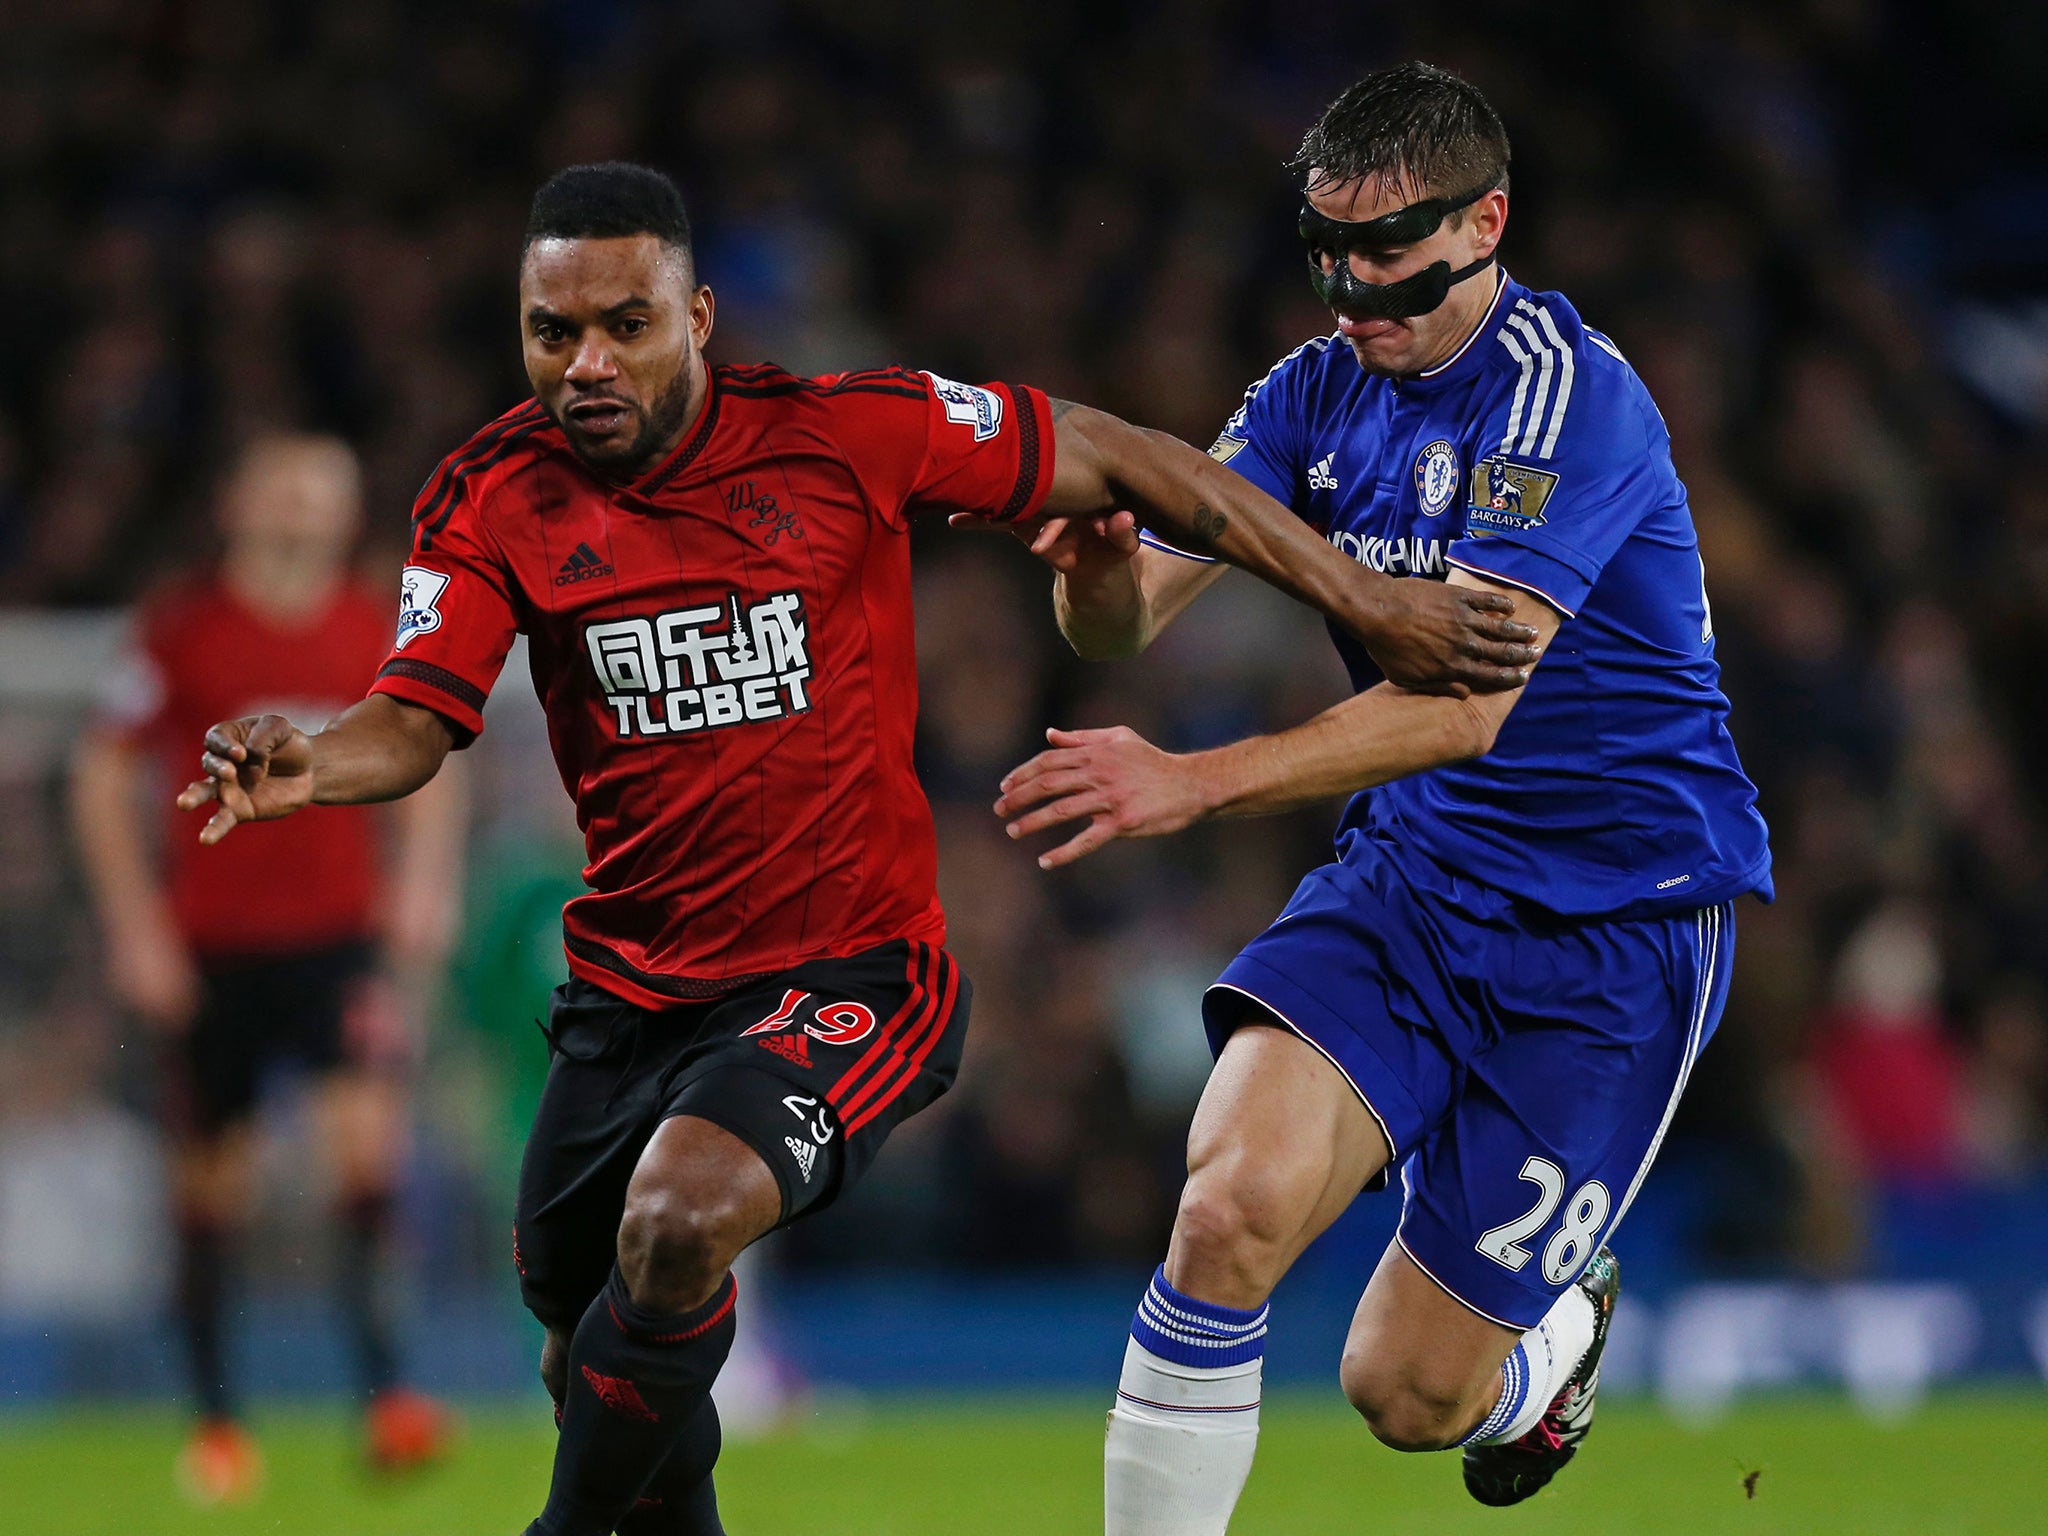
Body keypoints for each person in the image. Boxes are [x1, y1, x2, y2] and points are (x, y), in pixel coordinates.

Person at [171, 162, 1536, 1536]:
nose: (583, 363)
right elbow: (414, 719)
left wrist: (1369, 598)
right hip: (630, 998)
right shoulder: (489, 497)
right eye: (550, 332)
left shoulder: (847, 433)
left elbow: (1123, 454)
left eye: (622, 325)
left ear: (697, 316)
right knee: (597, 1353)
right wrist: (310, 761)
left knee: (676, 1224)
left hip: (850, 975)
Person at [995, 63, 1773, 1528]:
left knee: (1404, 1395)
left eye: (1395, 256)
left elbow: (1469, 706)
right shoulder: (1312, 393)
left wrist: (1192, 783)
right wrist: (1102, 569)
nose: (1358, 295)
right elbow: (1125, 622)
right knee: (1223, 1212)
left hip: (1618, 926)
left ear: (1487, 220)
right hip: (1416, 881)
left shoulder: (1570, 401)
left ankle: (1548, 1352)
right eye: (1330, 256)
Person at [71, 434, 460, 1503]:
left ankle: (389, 1401)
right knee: (213, 1189)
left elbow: (431, 755)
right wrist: (137, 927)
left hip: (339, 942)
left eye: (321, 496)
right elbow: (101, 777)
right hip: (213, 951)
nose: (302, 513)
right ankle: (217, 1423)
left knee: (366, 1157)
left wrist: (426, 885)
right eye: (284, 491)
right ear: (238, 503)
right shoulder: (182, 631)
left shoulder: (374, 628)